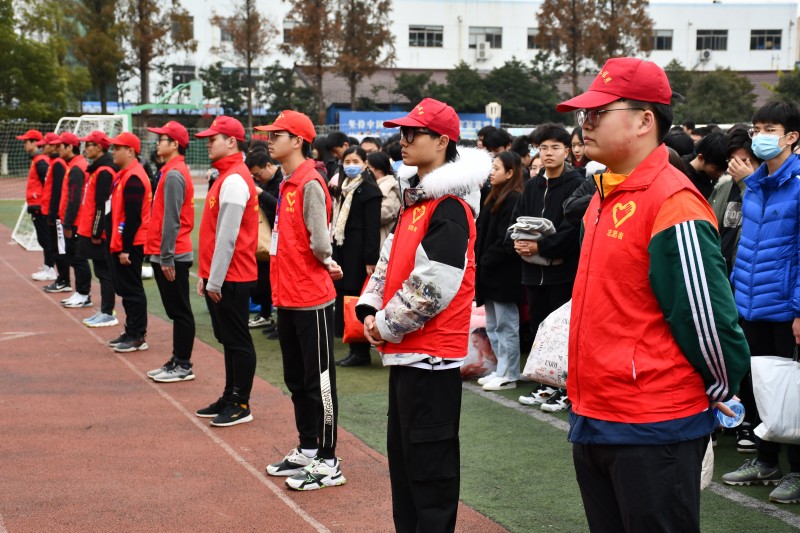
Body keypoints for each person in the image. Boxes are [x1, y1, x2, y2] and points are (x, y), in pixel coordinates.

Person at [556, 57, 750, 532]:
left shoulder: (672, 201)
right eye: (584, 113)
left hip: (653, 423)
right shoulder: (603, 194)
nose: (585, 124)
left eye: (598, 112)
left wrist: (719, 387)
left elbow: (707, 319)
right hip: (596, 414)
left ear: (645, 120)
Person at [356, 98, 492, 532]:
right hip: (407, 353)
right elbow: (386, 262)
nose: (404, 139)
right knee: (405, 468)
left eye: (413, 132)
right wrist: (369, 308)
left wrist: (384, 324)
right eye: (403, 131)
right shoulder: (417, 199)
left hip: (431, 358)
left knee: (430, 473)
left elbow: (433, 285)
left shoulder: (450, 205)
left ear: (442, 141)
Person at [257, 110, 346, 491]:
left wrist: (326, 261)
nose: (269, 141)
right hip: (288, 296)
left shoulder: (309, 182)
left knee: (319, 381)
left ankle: (329, 459)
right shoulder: (289, 182)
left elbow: (320, 241)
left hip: (311, 298)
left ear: (297, 141)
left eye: (276, 135)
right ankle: (308, 447)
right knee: (296, 378)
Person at [723, 101, 800, 504]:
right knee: (759, 386)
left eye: (770, 129)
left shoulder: (798, 184)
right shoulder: (754, 186)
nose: (760, 137)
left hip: (786, 306)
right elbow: (745, 248)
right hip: (750, 303)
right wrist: (735, 296)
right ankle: (766, 461)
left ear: (792, 137)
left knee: (793, 391)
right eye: (757, 129)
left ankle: (797, 471)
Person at [510, 123, 583, 411]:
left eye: (555, 147)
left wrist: (540, 247)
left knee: (563, 333)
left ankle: (567, 388)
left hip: (562, 272)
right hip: (532, 273)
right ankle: (546, 384)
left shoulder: (576, 184)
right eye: (543, 148)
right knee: (539, 330)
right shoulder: (531, 185)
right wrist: (518, 242)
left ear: (567, 151)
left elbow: (572, 229)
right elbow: (516, 221)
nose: (548, 153)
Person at [192, 116, 258, 427]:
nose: (208, 144)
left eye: (213, 139)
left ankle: (240, 402)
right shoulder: (226, 176)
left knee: (237, 340)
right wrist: (206, 275)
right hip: (223, 275)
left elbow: (228, 237)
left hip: (233, 276)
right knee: (229, 340)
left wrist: (213, 278)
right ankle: (230, 395)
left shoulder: (233, 179)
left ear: (231, 141)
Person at [143, 121, 197, 383]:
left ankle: (183, 364)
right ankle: (178, 359)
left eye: (162, 139)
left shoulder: (175, 174)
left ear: (174, 144)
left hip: (173, 254)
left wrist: (166, 256)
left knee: (180, 311)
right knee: (176, 311)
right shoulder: (169, 171)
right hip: (166, 252)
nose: (157, 143)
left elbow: (172, 219)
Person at [475, 150, 524, 391]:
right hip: (489, 272)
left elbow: (506, 238)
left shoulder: (513, 198)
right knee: (494, 326)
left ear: (510, 172)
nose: (491, 173)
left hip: (504, 273)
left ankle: (510, 373)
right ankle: (501, 369)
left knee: (506, 326)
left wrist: (485, 260)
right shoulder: (493, 196)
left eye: (496, 169)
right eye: (491, 168)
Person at [331, 146, 382, 367]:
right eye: (347, 161)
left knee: (357, 298)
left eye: (355, 161)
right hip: (344, 248)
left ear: (365, 163)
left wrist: (371, 259)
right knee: (345, 295)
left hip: (360, 253)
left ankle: (360, 350)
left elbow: (373, 228)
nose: (350, 165)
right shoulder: (344, 187)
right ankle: (354, 347)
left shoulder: (370, 190)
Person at [105, 132, 152, 353]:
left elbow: (134, 217)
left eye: (117, 148)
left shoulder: (134, 177)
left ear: (130, 151)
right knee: (126, 289)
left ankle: (137, 335)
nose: (113, 152)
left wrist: (125, 248)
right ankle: (131, 330)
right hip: (123, 240)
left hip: (132, 243)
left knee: (132, 290)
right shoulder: (124, 175)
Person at [76, 131, 118, 328]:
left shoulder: (104, 171)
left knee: (104, 272)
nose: (85, 148)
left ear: (99, 147)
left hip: (98, 231)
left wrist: (97, 231)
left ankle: (108, 312)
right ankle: (105, 310)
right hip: (91, 227)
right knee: (101, 272)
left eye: (89, 145)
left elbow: (103, 204)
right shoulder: (97, 169)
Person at [245, 149, 282, 335]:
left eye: (258, 174)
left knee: (278, 282)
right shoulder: (266, 181)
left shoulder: (282, 180)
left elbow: (280, 207)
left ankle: (280, 322)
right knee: (265, 280)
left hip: (280, 238)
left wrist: (260, 193)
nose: (258, 178)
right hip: (267, 238)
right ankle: (267, 315)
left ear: (269, 165)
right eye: (254, 176)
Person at [57, 132, 91, 309]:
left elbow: (74, 198)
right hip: (75, 220)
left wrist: (68, 223)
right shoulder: (75, 165)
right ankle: (80, 292)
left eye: (61, 146)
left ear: (70, 147)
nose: (58, 149)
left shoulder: (77, 167)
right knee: (76, 258)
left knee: (78, 258)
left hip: (76, 221)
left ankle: (84, 294)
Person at [17, 129, 55, 281]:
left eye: (26, 142)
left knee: (45, 239)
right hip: (37, 205)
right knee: (43, 238)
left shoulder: (41, 161)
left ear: (35, 143)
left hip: (40, 206)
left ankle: (50, 269)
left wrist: (44, 204)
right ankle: (48, 266)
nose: (24, 145)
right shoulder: (37, 160)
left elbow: (48, 184)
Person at [40, 132, 71, 294]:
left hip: (56, 214)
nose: (42, 147)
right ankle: (61, 278)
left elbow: (58, 191)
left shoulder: (58, 163)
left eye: (45, 144)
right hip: (51, 212)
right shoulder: (53, 162)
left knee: (59, 249)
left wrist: (53, 214)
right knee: (55, 247)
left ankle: (64, 280)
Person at [366, 150, 401, 249]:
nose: (365, 171)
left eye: (368, 167)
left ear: (379, 169)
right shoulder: (375, 185)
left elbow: (385, 214)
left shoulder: (387, 188)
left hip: (383, 240)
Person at [681, 131, 728, 199]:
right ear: (701, 157)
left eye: (724, 170)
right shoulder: (681, 173)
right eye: (717, 169)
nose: (721, 174)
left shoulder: (708, 176)